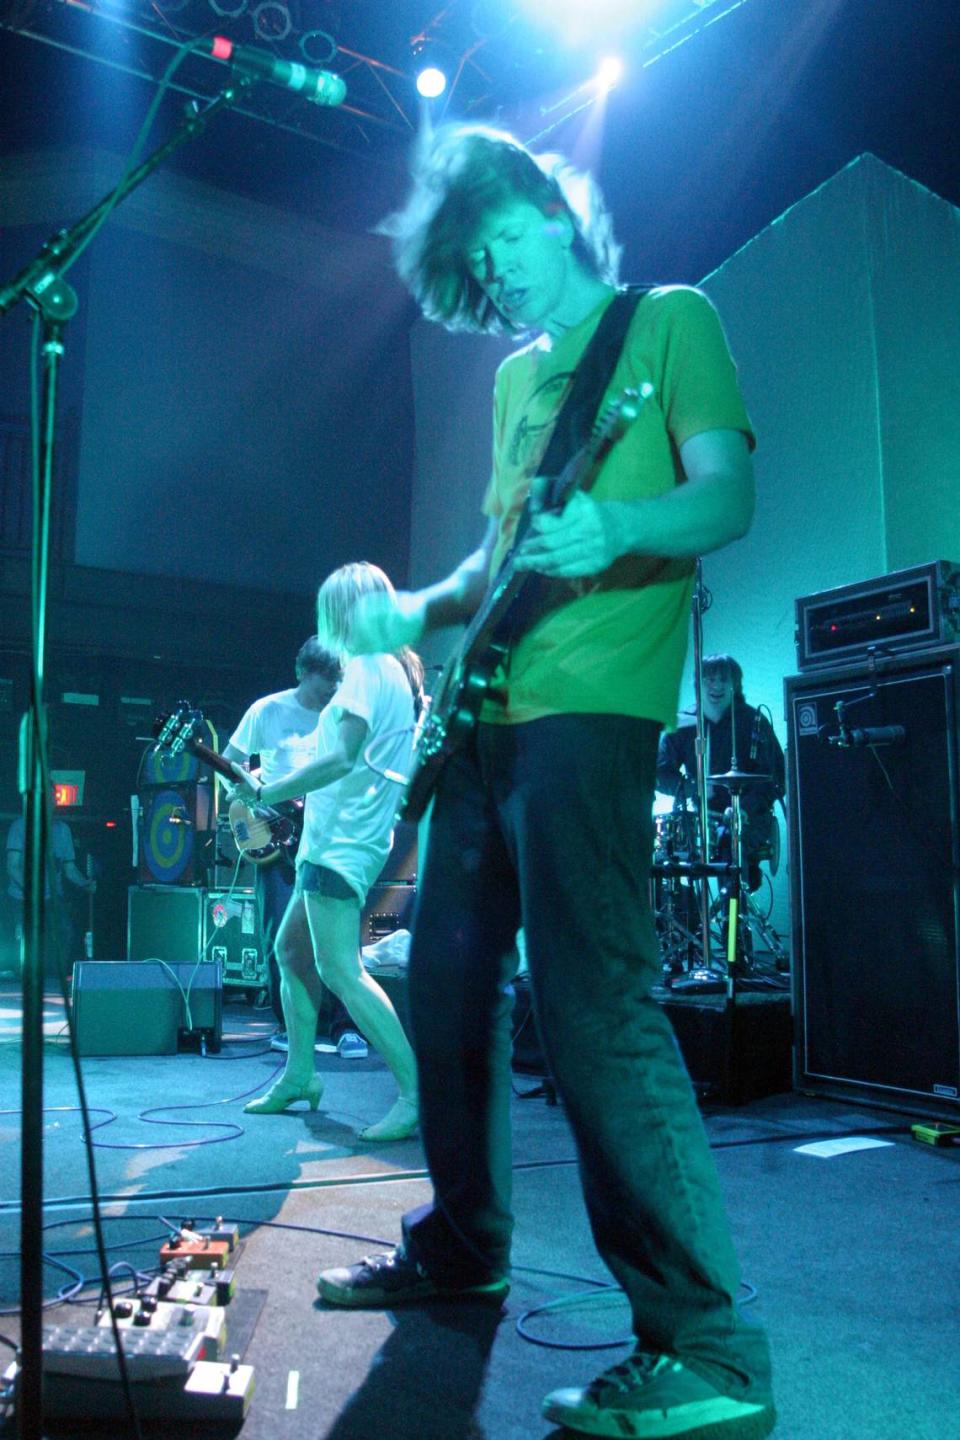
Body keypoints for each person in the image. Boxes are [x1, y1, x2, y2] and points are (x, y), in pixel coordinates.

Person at [314, 125, 776, 1440]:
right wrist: (412, 610)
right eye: (481, 263)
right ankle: (463, 1243)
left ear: (558, 210)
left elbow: (726, 497)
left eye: (509, 238)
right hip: (483, 722)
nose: (503, 273)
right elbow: (492, 565)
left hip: (590, 716)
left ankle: (707, 1347)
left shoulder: (668, 321)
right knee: (446, 994)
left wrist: (624, 525)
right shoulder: (522, 386)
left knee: (598, 1013)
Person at [235, 562, 423, 1144]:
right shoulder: (393, 669)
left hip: (340, 843)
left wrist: (265, 790)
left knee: (342, 969)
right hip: (344, 840)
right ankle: (299, 1075)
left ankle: (416, 1095)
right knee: (290, 951)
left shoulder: (367, 668)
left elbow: (341, 760)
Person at [222, 637, 365, 1058]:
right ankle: (290, 1028)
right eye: (326, 681)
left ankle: (345, 1027)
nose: (332, 690)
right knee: (279, 935)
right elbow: (230, 764)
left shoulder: (343, 716)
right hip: (278, 839)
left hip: (329, 837)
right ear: (303, 671)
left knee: (339, 939)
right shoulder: (267, 710)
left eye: (339, 681)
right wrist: (246, 807)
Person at [657, 653, 786, 894]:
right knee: (664, 854)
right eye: (709, 679)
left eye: (723, 680)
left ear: (734, 685)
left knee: (729, 841)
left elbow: (775, 777)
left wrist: (742, 808)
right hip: (701, 818)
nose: (716, 686)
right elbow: (660, 772)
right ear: (698, 684)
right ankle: (684, 924)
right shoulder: (685, 722)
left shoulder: (753, 720)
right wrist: (693, 788)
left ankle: (734, 924)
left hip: (749, 819)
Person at [6, 801, 96, 976]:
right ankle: (24, 975)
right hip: (22, 897)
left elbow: (69, 869)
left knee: (65, 931)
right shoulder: (20, 827)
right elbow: (12, 866)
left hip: (52, 897)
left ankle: (57, 976)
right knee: (29, 937)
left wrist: (85, 883)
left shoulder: (63, 831)